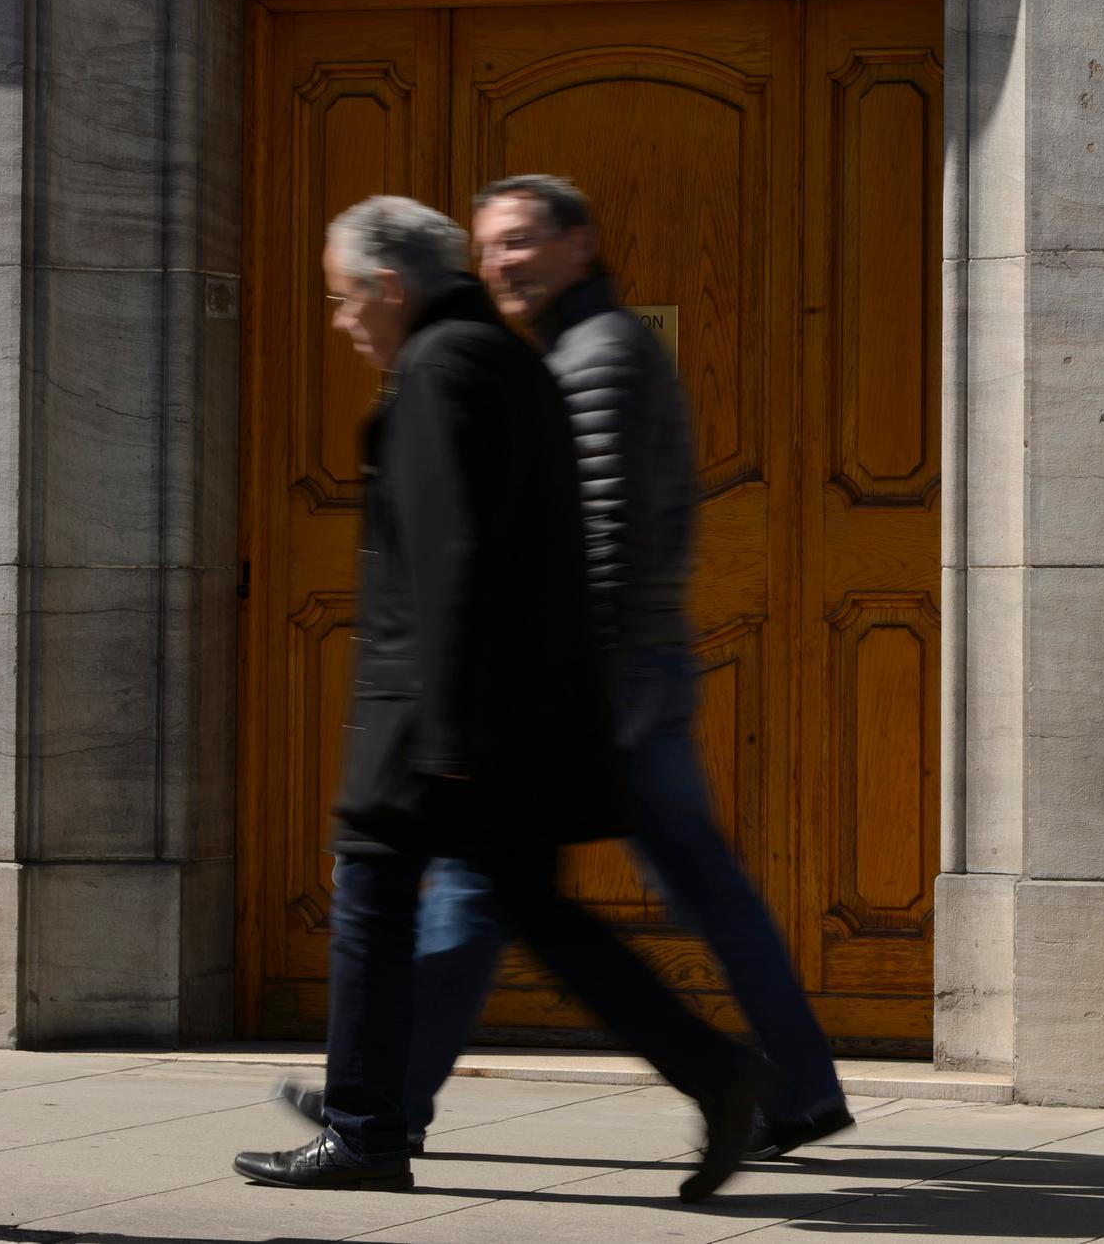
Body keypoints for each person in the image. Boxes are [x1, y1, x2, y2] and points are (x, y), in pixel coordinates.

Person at [233, 196, 758, 1199]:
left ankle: (364, 1131)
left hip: (440, 715)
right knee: (539, 912)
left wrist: (443, 731)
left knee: (371, 900)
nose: (341, 320)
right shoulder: (503, 358)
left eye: (344, 298)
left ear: (391, 286)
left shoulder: (441, 369)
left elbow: (451, 555)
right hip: (513, 710)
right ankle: (715, 1070)